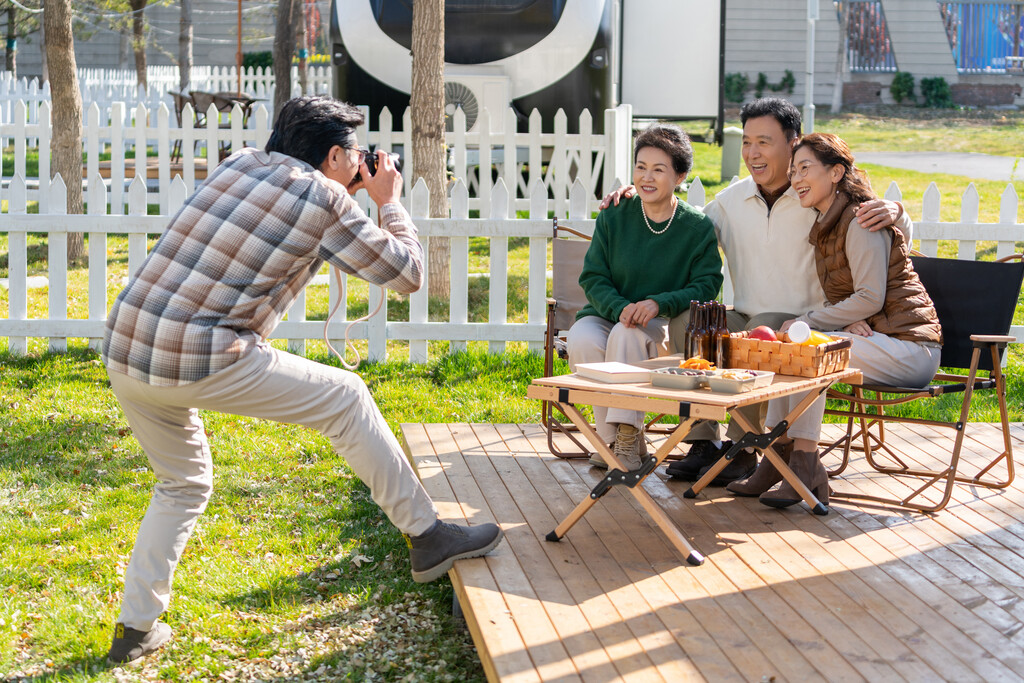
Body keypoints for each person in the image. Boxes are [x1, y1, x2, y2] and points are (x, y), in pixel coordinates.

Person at [100, 96, 503, 664]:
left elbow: (284, 216)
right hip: (200, 354)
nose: (364, 162)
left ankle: (136, 630)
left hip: (126, 348)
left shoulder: (240, 162)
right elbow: (407, 274)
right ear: (336, 154)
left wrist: (346, 196)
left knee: (182, 485)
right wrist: (389, 204)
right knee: (347, 396)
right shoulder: (325, 198)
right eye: (356, 154)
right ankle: (427, 535)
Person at [600, 98, 910, 486]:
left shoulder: (815, 196)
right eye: (746, 142)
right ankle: (702, 441)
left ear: (793, 144)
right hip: (743, 315)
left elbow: (882, 231)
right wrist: (639, 194)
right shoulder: (730, 202)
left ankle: (743, 448)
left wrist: (898, 211)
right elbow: (680, 221)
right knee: (692, 321)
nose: (752, 153)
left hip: (798, 323)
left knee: (765, 326)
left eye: (764, 142)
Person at [745, 132, 941, 507]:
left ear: (836, 173)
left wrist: (813, 320)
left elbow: (870, 297)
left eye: (805, 169)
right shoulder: (829, 222)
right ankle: (778, 457)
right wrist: (840, 321)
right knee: (797, 353)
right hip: (879, 340)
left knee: (810, 355)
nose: (796, 178)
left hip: (910, 349)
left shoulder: (859, 218)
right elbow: (860, 298)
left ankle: (803, 463)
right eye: (793, 170)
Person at [569, 124, 723, 469]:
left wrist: (658, 303)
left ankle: (622, 441)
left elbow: (707, 284)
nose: (646, 177)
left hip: (661, 324)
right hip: (607, 313)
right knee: (582, 338)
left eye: (658, 169)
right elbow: (593, 276)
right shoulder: (615, 214)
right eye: (640, 167)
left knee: (628, 334)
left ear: (680, 175)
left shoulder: (695, 227)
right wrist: (620, 306)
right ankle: (616, 440)